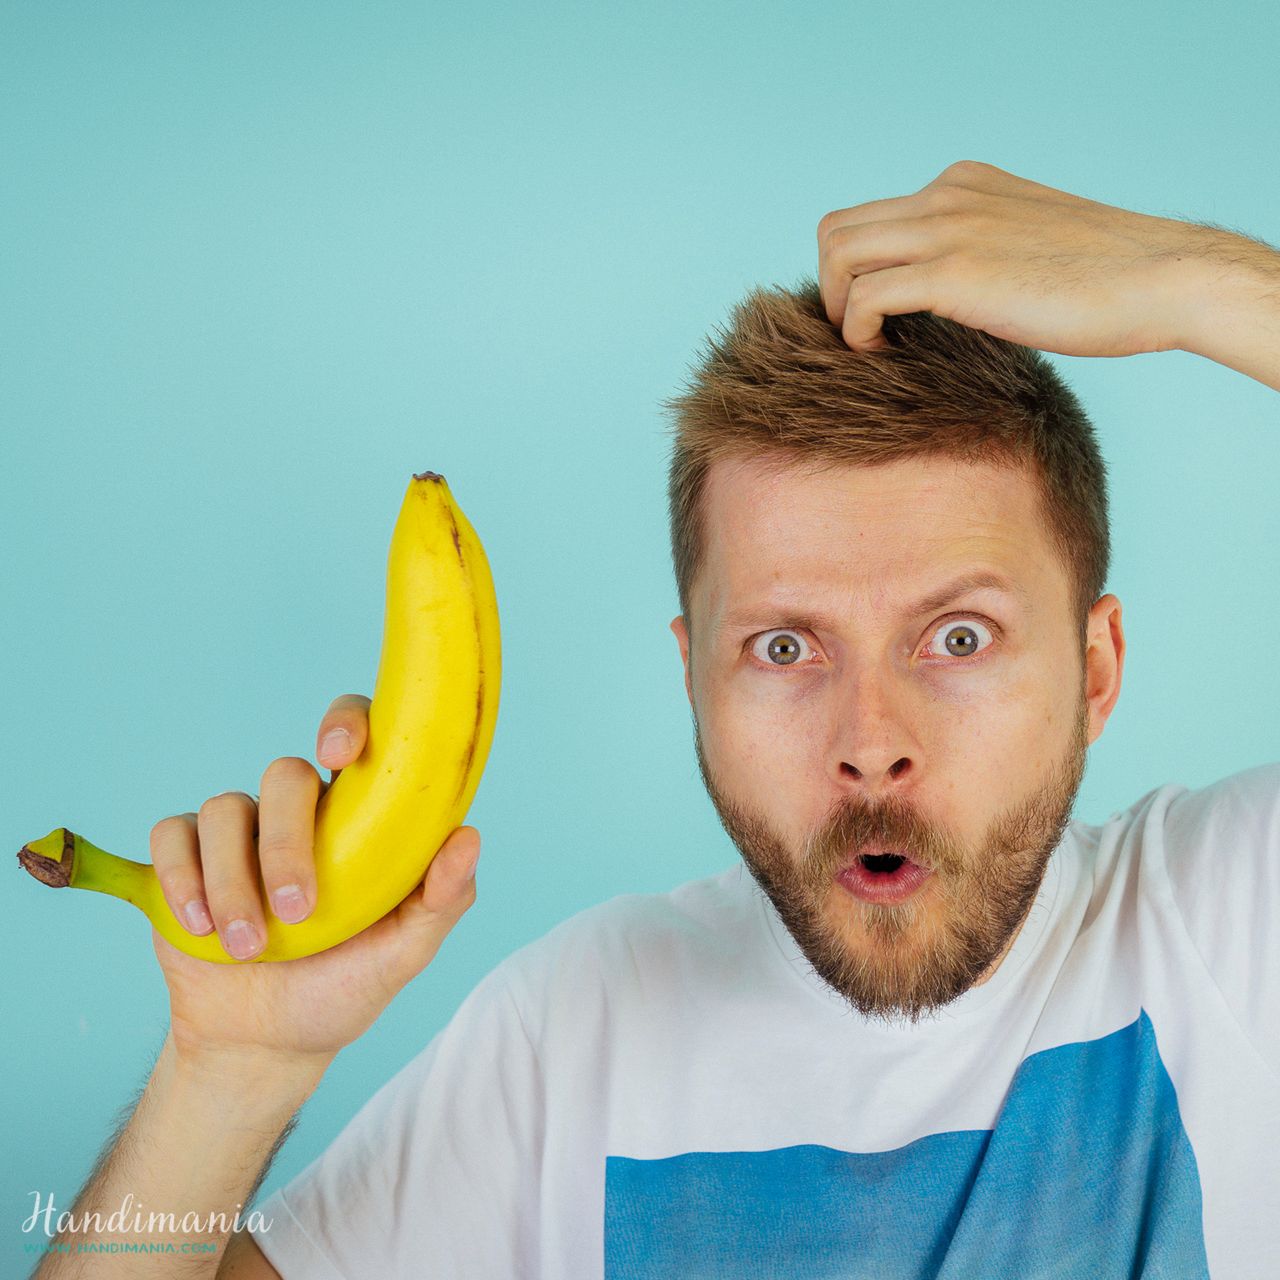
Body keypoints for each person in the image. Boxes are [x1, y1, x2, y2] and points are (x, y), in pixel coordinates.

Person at [35, 161, 1280, 1279]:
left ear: (1095, 667)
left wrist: (1191, 281)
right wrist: (227, 1074)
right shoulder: (574, 1035)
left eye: (957, 638)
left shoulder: (1229, 927)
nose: (870, 738)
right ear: (693, 679)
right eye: (783, 646)